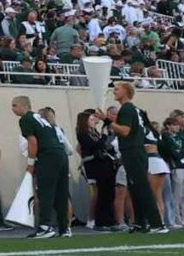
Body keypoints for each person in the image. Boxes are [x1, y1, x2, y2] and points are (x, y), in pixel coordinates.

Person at [111, 80, 169, 234]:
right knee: (135, 188)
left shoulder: (127, 109)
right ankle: (140, 223)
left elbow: (124, 131)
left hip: (133, 151)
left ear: (126, 91)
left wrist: (108, 121)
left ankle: (157, 223)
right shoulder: (135, 109)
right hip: (136, 151)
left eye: (117, 89)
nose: (114, 91)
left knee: (142, 187)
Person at [13, 95, 72, 237]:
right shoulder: (41, 118)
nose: (12, 109)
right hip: (61, 155)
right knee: (61, 193)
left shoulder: (26, 119)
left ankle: (45, 226)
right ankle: (64, 228)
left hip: (48, 156)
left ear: (24, 106)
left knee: (45, 192)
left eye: (15, 105)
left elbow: (33, 143)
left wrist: (31, 163)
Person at [77, 108, 121, 232]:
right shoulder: (83, 134)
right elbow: (95, 145)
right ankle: (100, 221)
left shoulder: (95, 132)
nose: (93, 121)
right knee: (101, 193)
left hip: (105, 163)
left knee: (109, 192)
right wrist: (105, 136)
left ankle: (110, 221)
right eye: (90, 119)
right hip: (95, 164)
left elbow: (105, 145)